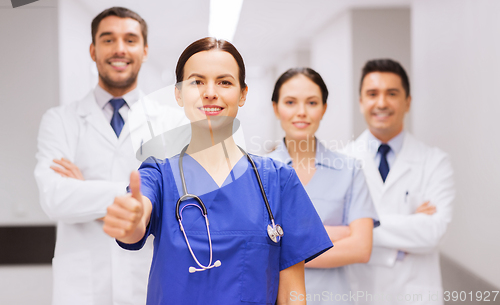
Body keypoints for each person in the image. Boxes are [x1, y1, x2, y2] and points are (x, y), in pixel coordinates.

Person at [102, 37, 333, 305]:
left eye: (224, 82)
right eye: (196, 82)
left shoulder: (279, 180)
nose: (210, 92)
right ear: (178, 94)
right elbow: (137, 220)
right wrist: (132, 221)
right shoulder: (159, 176)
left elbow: (293, 296)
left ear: (243, 94)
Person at [34, 7, 188, 305]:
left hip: (147, 281)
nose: (119, 49)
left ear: (144, 51)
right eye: (108, 40)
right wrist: (142, 195)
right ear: (93, 50)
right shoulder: (60, 120)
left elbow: (177, 203)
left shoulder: (172, 122)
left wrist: (83, 188)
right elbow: (54, 197)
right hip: (82, 288)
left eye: (130, 40)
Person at [345, 59, 455, 305]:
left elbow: (433, 232)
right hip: (359, 293)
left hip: (415, 296)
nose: (381, 103)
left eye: (392, 94)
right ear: (361, 102)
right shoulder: (341, 161)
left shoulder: (434, 162)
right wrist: (411, 222)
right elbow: (330, 233)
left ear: (407, 101)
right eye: (372, 94)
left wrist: (358, 228)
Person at [267, 68, 379, 304]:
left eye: (312, 102)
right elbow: (251, 249)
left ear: (324, 108)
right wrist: (332, 235)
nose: (301, 112)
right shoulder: (258, 173)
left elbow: (361, 248)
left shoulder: (349, 170)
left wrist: (283, 245)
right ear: (276, 108)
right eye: (290, 102)